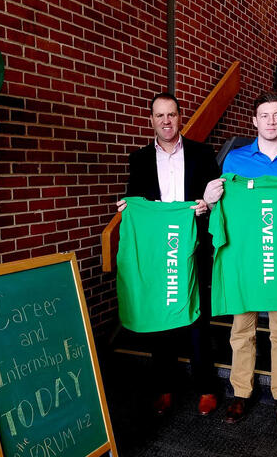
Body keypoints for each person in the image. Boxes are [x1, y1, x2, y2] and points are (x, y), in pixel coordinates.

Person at [204, 90, 277, 432]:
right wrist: (209, 201)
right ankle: (241, 392)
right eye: (264, 115)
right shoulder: (235, 161)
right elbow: (223, 209)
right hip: (243, 256)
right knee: (242, 329)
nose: (270, 121)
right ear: (254, 121)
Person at [116, 92, 220, 417]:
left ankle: (205, 386)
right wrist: (127, 208)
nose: (166, 121)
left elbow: (218, 196)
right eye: (159, 116)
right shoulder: (139, 159)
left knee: (198, 319)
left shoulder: (203, 154)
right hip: (159, 253)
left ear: (180, 117)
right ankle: (165, 387)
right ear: (151, 120)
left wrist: (208, 205)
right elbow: (137, 203)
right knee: (161, 320)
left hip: (195, 246)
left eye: (171, 115)